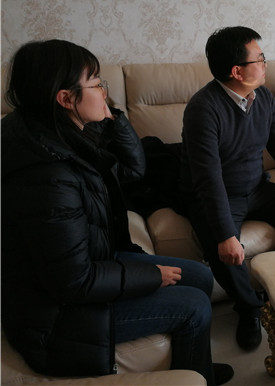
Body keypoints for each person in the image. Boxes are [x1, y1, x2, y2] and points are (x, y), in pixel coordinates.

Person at [1, 40, 233, 386]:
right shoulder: (47, 175)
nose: (105, 93)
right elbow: (73, 282)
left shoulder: (59, 132)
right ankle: (198, 377)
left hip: (91, 263)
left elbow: (131, 170)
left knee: (199, 276)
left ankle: (196, 366)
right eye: (96, 84)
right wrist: (151, 275)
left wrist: (113, 119)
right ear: (65, 98)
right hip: (54, 315)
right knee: (194, 304)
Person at [180, 27, 275, 351]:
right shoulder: (203, 109)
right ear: (237, 71)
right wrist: (226, 233)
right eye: (260, 59)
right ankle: (249, 308)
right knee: (223, 246)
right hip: (217, 193)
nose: (266, 64)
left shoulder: (264, 98)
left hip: (256, 186)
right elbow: (208, 177)